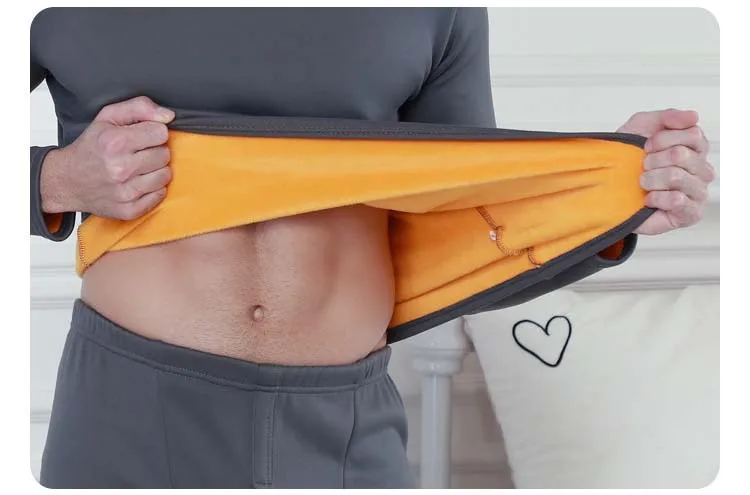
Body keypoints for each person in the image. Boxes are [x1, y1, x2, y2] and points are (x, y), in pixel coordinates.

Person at [30, 7, 716, 489]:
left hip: (345, 430)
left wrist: (615, 200)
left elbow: (469, 217)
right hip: (133, 413)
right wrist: (55, 177)